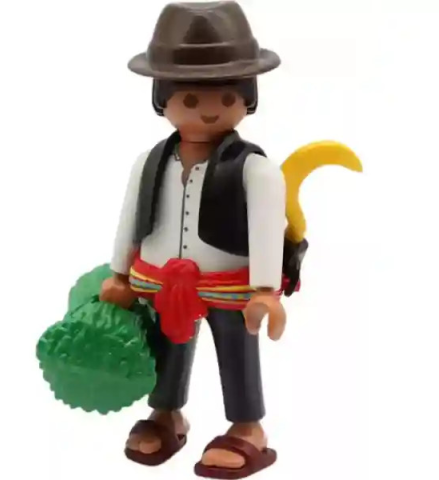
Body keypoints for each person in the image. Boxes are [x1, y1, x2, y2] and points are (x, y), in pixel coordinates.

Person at [101, 2, 294, 478]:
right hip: (163, 283)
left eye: (226, 96)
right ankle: (166, 413)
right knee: (168, 346)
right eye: (189, 99)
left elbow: (266, 226)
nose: (208, 109)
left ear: (247, 98)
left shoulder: (255, 170)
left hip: (230, 286)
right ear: (162, 99)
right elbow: (130, 218)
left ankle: (248, 427)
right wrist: (119, 273)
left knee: (237, 352)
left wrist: (265, 289)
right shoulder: (150, 162)